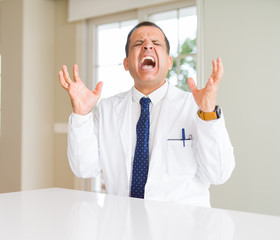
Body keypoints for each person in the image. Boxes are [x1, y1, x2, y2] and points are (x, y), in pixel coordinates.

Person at [58, 21, 235, 207]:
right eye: (138, 43)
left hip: (182, 228)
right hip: (123, 226)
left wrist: (208, 113)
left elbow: (219, 173)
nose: (147, 45)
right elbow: (83, 168)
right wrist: (81, 114)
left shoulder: (194, 107)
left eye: (156, 43)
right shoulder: (107, 109)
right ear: (126, 63)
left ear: (169, 62)